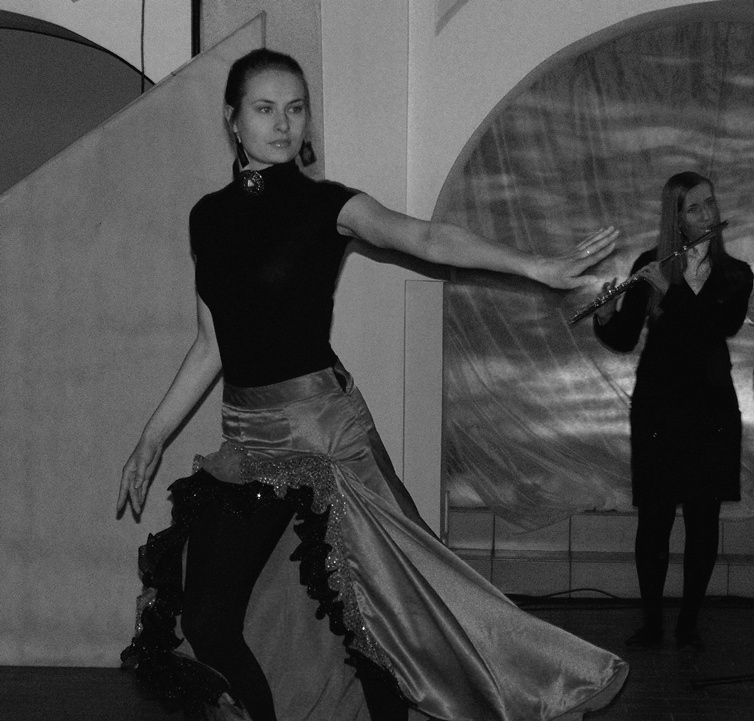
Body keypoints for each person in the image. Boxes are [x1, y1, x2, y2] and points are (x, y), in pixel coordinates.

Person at [118, 48, 627, 721]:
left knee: (376, 617)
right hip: (246, 440)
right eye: (265, 109)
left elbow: (427, 238)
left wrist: (536, 266)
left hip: (321, 435)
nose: (284, 123)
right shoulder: (207, 218)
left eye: (296, 108)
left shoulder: (327, 204)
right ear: (232, 119)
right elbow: (213, 343)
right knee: (211, 619)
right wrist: (151, 438)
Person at [594, 171, 752, 653]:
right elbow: (625, 338)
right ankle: (651, 624)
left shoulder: (736, 274)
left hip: (711, 409)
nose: (707, 214)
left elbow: (716, 327)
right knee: (655, 518)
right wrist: (605, 316)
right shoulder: (652, 264)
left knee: (703, 519)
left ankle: (688, 624)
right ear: (677, 219)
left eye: (710, 204)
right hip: (658, 409)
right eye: (694, 208)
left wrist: (670, 290)